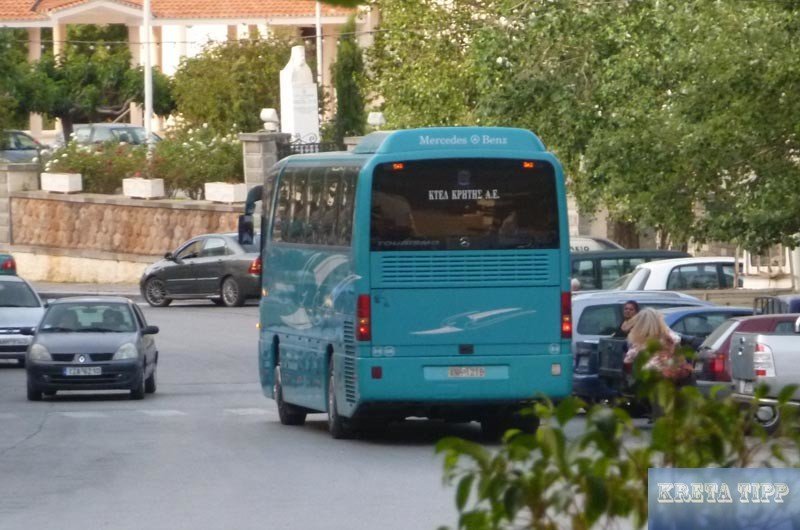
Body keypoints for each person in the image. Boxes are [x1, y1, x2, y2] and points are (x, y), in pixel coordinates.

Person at [623, 308, 692, 383]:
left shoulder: (638, 341)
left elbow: (628, 364)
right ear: (659, 321)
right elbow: (681, 361)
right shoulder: (671, 337)